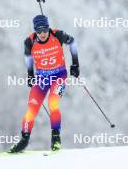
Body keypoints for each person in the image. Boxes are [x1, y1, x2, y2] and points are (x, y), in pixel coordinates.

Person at [9, 14, 80, 153]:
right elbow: (28, 57)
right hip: (42, 78)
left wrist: (75, 64)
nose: (42, 33)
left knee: (53, 103)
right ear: (35, 30)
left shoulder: (58, 35)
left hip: (59, 76)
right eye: (38, 30)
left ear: (48, 28)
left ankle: (56, 138)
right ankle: (24, 140)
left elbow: (73, 43)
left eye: (45, 29)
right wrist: (30, 74)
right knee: (31, 109)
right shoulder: (29, 42)